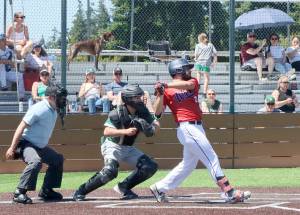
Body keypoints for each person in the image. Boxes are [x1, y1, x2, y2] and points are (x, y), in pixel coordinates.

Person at [150, 58, 251, 203]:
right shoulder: (167, 91)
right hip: (187, 127)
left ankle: (159, 187)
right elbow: (157, 112)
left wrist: (165, 84)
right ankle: (228, 191)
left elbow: (188, 84)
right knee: (211, 158)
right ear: (177, 71)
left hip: (197, 127)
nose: (189, 70)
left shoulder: (192, 82)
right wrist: (160, 94)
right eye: (185, 68)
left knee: (188, 165)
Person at [73, 85, 160, 201]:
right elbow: (106, 131)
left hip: (128, 148)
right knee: (110, 171)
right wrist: (125, 131)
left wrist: (151, 129)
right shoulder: (117, 112)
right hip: (112, 145)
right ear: (128, 99)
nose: (139, 99)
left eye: (139, 97)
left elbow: (157, 125)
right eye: (136, 97)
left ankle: (124, 187)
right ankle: (81, 191)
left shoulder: (142, 111)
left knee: (150, 166)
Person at [5, 85, 68, 204]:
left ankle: (46, 191)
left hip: (40, 146)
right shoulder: (39, 108)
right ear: (51, 97)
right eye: (60, 97)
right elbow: (21, 126)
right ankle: (19, 192)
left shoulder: (53, 109)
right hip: (26, 144)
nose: (63, 100)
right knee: (35, 162)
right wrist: (12, 148)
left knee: (57, 159)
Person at [0, 33, 25, 100]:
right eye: (1, 40)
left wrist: (14, 48)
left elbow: (20, 57)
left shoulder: (9, 50)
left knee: (20, 76)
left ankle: (21, 97)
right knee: (2, 66)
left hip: (7, 72)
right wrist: (7, 62)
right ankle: (4, 86)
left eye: (4, 39)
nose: (3, 41)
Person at [194, 33, 217, 98]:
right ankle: (204, 93)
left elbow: (196, 55)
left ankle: (196, 91)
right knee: (206, 78)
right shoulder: (210, 45)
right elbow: (215, 53)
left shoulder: (198, 45)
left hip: (199, 62)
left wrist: (195, 58)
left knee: (198, 76)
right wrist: (214, 62)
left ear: (200, 39)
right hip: (206, 63)